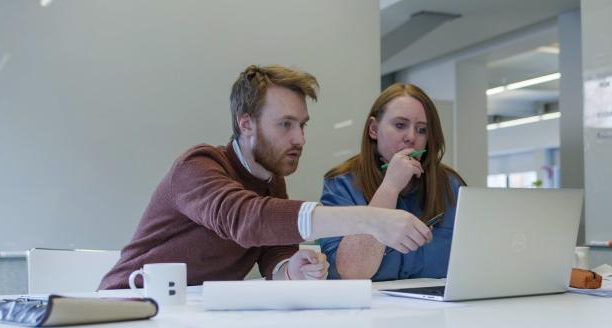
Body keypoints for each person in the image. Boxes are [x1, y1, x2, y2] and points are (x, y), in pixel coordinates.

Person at [99, 66, 433, 288]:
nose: (300, 139)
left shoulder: (272, 179)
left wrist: (292, 268)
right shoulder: (197, 166)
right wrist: (370, 220)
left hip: (191, 313)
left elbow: (271, 253)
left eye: (302, 125)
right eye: (285, 124)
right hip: (126, 308)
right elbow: (245, 220)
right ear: (246, 124)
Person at [320, 83, 466, 281]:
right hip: (371, 308)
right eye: (400, 125)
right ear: (373, 129)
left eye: (422, 129)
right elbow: (351, 273)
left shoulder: (451, 185)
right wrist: (390, 187)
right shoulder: (342, 184)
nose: (411, 137)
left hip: (439, 308)